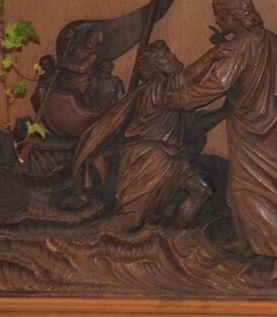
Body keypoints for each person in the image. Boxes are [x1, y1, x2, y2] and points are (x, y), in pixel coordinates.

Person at [165, 0, 277, 281]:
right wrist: (224, 47)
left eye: (220, 16)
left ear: (233, 17)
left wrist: (180, 99)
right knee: (267, 185)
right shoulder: (265, 38)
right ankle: (257, 241)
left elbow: (216, 84)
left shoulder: (242, 47)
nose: (217, 21)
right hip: (271, 124)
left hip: (255, 131)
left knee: (253, 190)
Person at [70, 40, 219, 231]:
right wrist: (213, 55)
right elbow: (187, 77)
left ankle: (170, 239)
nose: (172, 57)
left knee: (202, 190)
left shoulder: (166, 91)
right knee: (129, 221)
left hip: (170, 155)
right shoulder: (156, 90)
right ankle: (83, 236)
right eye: (165, 56)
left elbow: (196, 123)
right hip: (149, 157)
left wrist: (227, 109)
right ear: (155, 69)